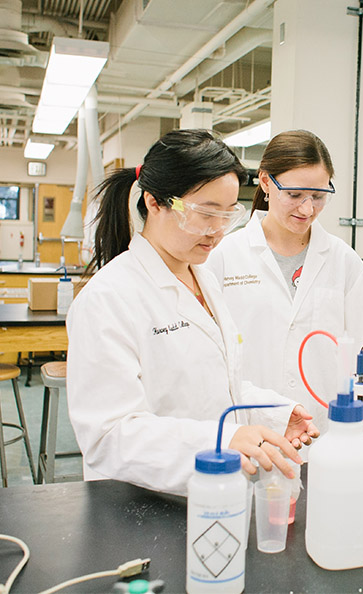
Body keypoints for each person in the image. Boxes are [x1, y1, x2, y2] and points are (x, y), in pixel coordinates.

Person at [66, 129, 319, 496]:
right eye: (204, 213)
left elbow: (217, 387)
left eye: (228, 214)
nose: (216, 231)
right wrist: (222, 439)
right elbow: (108, 435)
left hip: (210, 494)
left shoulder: (204, 278)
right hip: (138, 502)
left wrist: (275, 414)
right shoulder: (108, 298)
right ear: (154, 202)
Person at [207, 130, 363, 431]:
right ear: (266, 182)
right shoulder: (222, 257)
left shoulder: (344, 261)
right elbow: (211, 361)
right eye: (295, 195)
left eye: (319, 196)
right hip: (248, 430)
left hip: (323, 432)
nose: (307, 209)